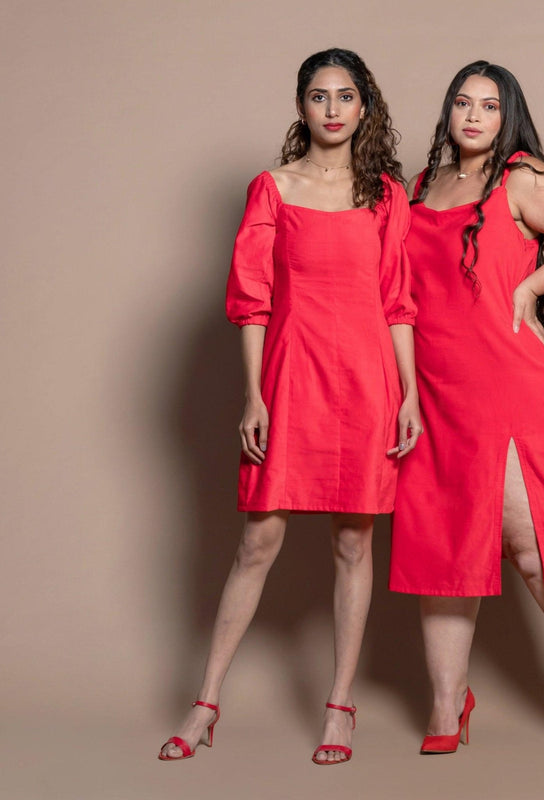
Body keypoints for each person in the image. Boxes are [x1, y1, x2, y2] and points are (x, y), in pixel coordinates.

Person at [158, 48, 420, 766]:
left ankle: (339, 709)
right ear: (300, 106)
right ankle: (205, 702)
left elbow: (399, 302)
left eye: (344, 96)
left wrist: (412, 396)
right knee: (258, 542)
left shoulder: (388, 196)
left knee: (353, 544)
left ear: (364, 106)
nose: (332, 109)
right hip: (292, 380)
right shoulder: (272, 188)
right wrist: (254, 395)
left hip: (368, 385)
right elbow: (252, 301)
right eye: (317, 96)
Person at [389, 60, 544, 762]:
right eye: (462, 103)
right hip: (433, 395)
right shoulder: (417, 190)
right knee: (444, 545)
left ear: (508, 116)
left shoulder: (522, 179)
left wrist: (533, 286)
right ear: (448, 112)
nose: (472, 116)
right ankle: (446, 703)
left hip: (514, 387)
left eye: (489, 106)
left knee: (535, 543)